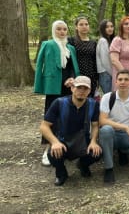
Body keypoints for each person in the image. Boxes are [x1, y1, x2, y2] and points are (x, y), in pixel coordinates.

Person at [39, 76, 102, 186]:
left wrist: (93, 142)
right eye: (79, 88)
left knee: (97, 152)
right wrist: (54, 142)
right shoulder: (59, 103)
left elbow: (95, 125)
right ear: (72, 88)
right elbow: (44, 126)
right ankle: (61, 173)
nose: (81, 91)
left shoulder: (93, 104)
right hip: (62, 140)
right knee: (52, 154)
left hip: (82, 141)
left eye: (85, 88)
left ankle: (83, 165)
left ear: (89, 91)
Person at [34, 20, 80, 166]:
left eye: (64, 29)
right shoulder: (48, 44)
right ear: (54, 30)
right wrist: (40, 84)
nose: (62, 32)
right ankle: (48, 148)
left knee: (68, 115)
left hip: (69, 86)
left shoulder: (70, 48)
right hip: (54, 86)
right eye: (59, 29)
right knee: (51, 115)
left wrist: (72, 79)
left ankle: (66, 145)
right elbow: (40, 63)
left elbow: (73, 66)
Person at [98, 69, 129, 183]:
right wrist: (125, 127)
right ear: (115, 82)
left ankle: (123, 151)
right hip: (111, 134)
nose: (123, 82)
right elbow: (102, 120)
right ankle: (109, 168)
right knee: (106, 130)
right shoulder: (107, 97)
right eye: (120, 79)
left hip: (127, 135)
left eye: (126, 79)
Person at [68, 16, 98, 98]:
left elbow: (95, 60)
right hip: (77, 75)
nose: (84, 26)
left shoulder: (93, 43)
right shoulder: (71, 41)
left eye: (86, 24)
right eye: (81, 24)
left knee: (89, 100)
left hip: (91, 76)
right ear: (76, 27)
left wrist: (96, 78)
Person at [96, 19, 115, 94]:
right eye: (107, 27)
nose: (110, 28)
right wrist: (113, 74)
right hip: (105, 73)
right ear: (103, 29)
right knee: (109, 97)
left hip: (108, 73)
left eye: (111, 26)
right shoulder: (103, 41)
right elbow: (105, 61)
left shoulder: (109, 40)